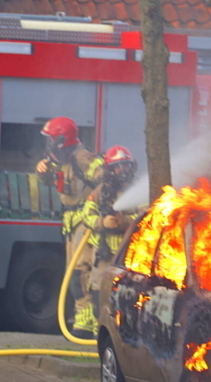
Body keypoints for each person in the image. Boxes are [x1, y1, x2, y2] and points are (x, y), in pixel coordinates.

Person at [35, 117, 103, 332]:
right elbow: (59, 183)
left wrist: (94, 209)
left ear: (62, 139)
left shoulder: (83, 158)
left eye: (51, 139)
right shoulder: (61, 159)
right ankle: (82, 318)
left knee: (81, 271)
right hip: (71, 222)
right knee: (73, 271)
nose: (48, 144)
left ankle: (89, 321)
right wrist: (43, 174)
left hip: (85, 220)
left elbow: (106, 182)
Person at [75, 145, 138, 333]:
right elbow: (87, 216)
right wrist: (103, 222)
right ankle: (100, 336)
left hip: (129, 256)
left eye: (126, 166)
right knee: (98, 295)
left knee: (127, 297)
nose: (123, 171)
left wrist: (123, 221)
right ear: (110, 169)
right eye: (119, 167)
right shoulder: (99, 192)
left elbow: (147, 216)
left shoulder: (138, 190)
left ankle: (123, 335)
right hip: (103, 256)